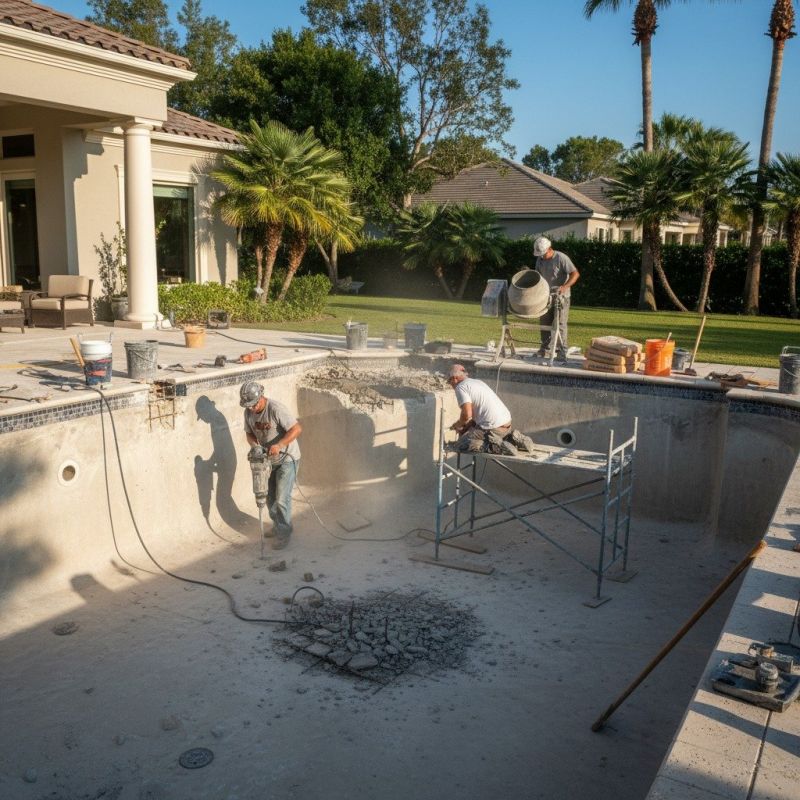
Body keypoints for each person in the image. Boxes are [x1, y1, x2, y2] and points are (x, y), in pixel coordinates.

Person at [240, 381, 302, 550]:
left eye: (253, 405)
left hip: (287, 458)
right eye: (248, 406)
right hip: (268, 460)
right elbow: (249, 434)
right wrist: (255, 446)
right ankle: (278, 525)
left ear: (261, 397)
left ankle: (284, 532)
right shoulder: (248, 412)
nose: (251, 408)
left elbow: (296, 429)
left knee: (282, 498)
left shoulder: (275, 409)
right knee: (269, 497)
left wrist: (280, 445)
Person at [447, 364, 534, 456]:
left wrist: (458, 424)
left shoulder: (461, 387)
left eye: (449, 381)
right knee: (474, 432)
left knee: (461, 444)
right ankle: (512, 438)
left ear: (454, 378)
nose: (451, 384)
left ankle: (497, 447)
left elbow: (467, 414)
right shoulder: (477, 382)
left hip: (493, 428)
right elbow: (477, 416)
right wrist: (466, 427)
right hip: (506, 425)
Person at [533, 236, 580, 361]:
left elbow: (575, 274)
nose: (542, 256)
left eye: (543, 254)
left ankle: (562, 351)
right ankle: (545, 348)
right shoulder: (539, 260)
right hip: (545, 296)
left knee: (560, 323)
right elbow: (538, 277)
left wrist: (564, 287)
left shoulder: (561, 258)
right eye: (540, 254)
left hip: (562, 297)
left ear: (549, 249)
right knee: (544, 322)